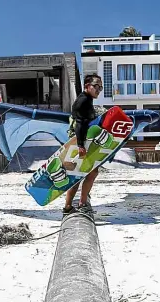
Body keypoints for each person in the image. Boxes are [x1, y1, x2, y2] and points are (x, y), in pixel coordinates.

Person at [63, 73, 104, 215]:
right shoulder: (83, 101)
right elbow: (79, 124)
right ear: (87, 86)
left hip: (81, 141)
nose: (99, 89)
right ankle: (73, 205)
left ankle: (80, 203)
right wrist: (80, 145)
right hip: (79, 141)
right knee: (80, 174)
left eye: (101, 87)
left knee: (91, 172)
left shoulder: (87, 99)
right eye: (96, 86)